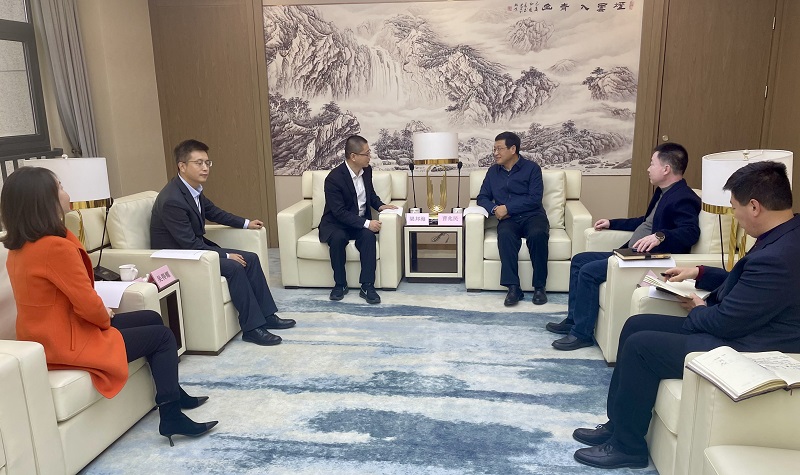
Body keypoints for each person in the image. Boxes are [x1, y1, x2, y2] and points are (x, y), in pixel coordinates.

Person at [571, 160, 800, 469]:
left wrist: (698, 309)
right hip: (746, 328)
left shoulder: (778, 256)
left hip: (753, 346)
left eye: (735, 208)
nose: (735, 216)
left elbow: (725, 323)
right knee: (636, 324)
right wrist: (700, 272)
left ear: (755, 207)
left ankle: (628, 447)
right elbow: (748, 285)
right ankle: (619, 424)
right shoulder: (785, 234)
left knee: (642, 347)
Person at [1, 167, 217, 446]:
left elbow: (67, 298)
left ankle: (174, 392)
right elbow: (86, 302)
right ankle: (171, 415)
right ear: (45, 200)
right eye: (61, 187)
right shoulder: (54, 248)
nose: (67, 193)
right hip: (67, 342)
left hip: (49, 336)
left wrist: (99, 312)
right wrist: (103, 314)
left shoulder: (20, 248)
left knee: (151, 317)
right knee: (163, 337)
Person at [548, 142, 701, 350]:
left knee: (589, 271)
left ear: (666, 169)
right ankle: (573, 319)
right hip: (630, 253)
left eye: (652, 163)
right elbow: (645, 222)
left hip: (649, 259)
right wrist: (612, 223)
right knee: (579, 260)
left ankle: (582, 334)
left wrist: (661, 236)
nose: (648, 168)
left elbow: (690, 232)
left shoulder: (683, 197)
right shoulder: (663, 192)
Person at [150, 139, 295, 346]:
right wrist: (226, 255)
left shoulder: (192, 189)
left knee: (251, 258)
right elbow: (188, 244)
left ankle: (267, 315)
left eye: (207, 162)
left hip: (194, 249)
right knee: (234, 266)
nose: (205, 168)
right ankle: (252, 329)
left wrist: (246, 223)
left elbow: (215, 212)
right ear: (182, 166)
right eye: (199, 163)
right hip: (179, 256)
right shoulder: (172, 199)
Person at [318, 135, 397, 304]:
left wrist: (381, 206)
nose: (370, 157)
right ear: (353, 156)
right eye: (366, 154)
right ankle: (340, 284)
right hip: (337, 223)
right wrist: (367, 223)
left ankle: (367, 286)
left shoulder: (366, 171)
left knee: (368, 237)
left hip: (357, 222)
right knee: (338, 238)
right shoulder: (334, 178)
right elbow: (339, 212)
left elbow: (370, 195)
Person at [477, 131, 549, 306]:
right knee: (505, 236)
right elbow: (482, 197)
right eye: (494, 149)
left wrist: (508, 208)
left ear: (513, 149)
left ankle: (539, 287)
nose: (495, 153)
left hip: (533, 215)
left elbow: (534, 199)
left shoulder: (532, 169)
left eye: (499, 149)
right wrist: (495, 209)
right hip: (508, 220)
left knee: (538, 234)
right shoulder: (493, 172)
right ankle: (513, 288)